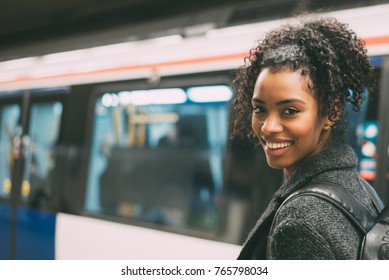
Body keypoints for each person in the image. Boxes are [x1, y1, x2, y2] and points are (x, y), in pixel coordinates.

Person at [231, 14, 378, 259]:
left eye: (290, 111)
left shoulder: (299, 221)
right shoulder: (360, 190)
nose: (268, 127)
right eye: (260, 109)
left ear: (331, 111)